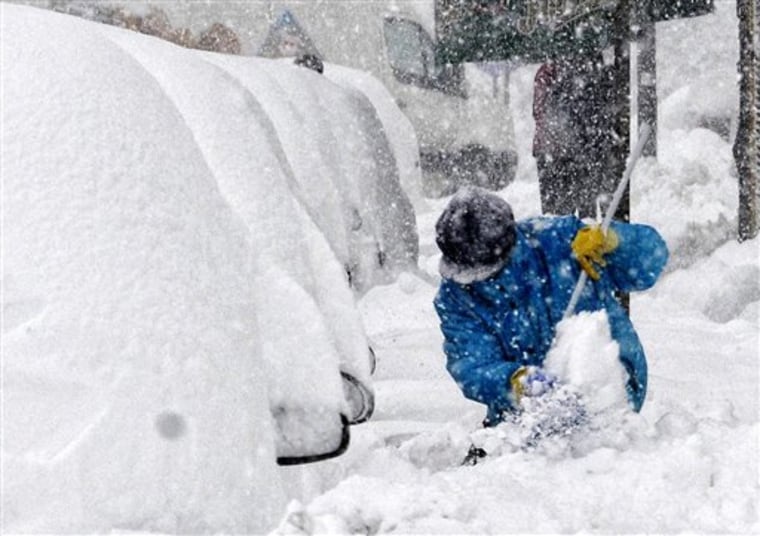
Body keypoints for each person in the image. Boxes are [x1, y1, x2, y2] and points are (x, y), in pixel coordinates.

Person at [433, 187, 669, 432]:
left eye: (484, 271)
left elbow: (652, 260)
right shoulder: (456, 297)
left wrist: (615, 243)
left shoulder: (562, 241)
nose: (475, 281)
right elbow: (471, 365)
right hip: (524, 415)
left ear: (508, 247)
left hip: (608, 390)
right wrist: (514, 382)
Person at [532, 54, 617, 218]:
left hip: (564, 151)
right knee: (575, 212)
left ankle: (571, 236)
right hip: (570, 151)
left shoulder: (549, 72)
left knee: (560, 214)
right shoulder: (554, 73)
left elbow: (540, 112)